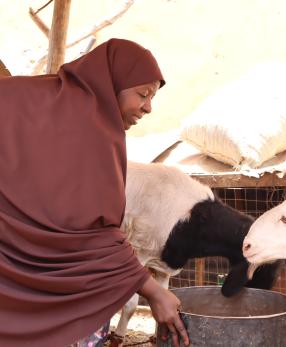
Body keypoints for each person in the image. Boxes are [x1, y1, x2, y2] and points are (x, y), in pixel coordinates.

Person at [0, 38, 189, 347]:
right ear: (111, 83)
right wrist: (155, 292)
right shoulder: (94, 131)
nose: (148, 107)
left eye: (152, 97)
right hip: (47, 286)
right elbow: (93, 232)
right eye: (143, 94)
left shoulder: (39, 98)